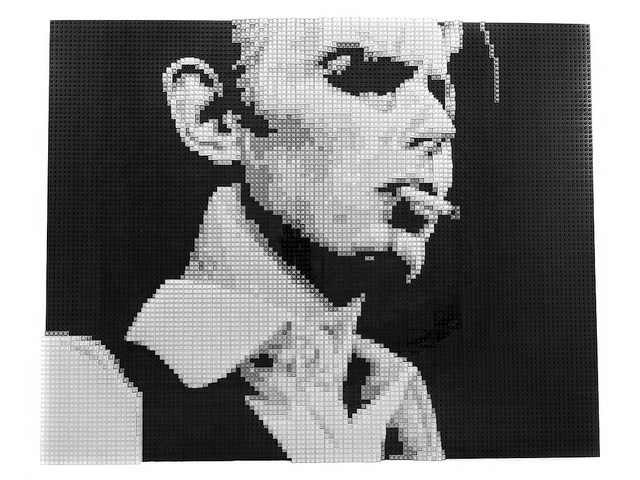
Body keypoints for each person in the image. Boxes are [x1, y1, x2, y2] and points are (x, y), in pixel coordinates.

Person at [42, 18, 464, 463]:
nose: (439, 125)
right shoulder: (77, 390)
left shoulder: (396, 396)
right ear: (214, 117)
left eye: (440, 91)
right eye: (362, 75)